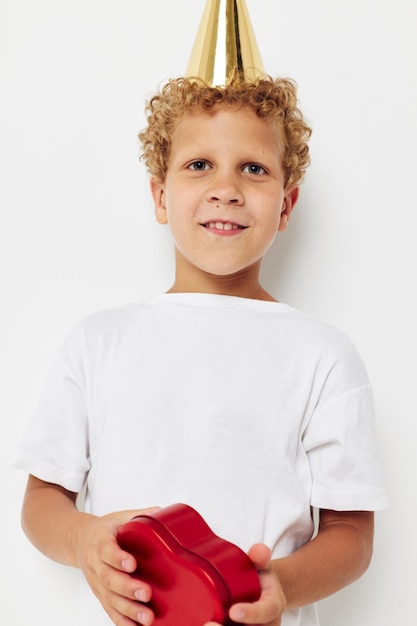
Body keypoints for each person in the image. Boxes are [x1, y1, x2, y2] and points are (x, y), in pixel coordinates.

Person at [14, 74, 387, 626]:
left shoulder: (323, 356)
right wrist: (86, 540)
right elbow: (41, 501)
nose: (226, 188)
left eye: (254, 169)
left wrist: (278, 586)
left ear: (286, 205)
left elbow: (351, 535)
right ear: (160, 196)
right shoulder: (98, 341)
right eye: (199, 165)